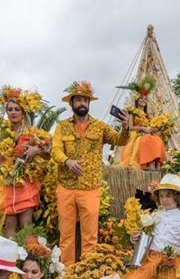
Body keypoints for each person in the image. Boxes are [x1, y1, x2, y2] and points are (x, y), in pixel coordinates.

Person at [52, 81, 130, 266]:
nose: (82, 103)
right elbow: (55, 151)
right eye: (78, 100)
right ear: (71, 103)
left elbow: (120, 140)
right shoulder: (62, 127)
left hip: (90, 189)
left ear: (89, 103)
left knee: (90, 237)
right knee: (66, 236)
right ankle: (66, 276)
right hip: (66, 188)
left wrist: (126, 127)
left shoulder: (100, 127)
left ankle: (86, 276)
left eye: (85, 100)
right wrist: (67, 161)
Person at [0, 86, 51, 238]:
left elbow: (49, 152)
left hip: (26, 182)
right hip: (8, 183)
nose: (13, 112)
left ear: (23, 112)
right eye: (10, 109)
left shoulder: (33, 133)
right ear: (6, 112)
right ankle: (11, 259)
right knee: (10, 224)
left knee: (25, 223)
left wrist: (36, 150)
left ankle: (29, 257)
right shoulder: (4, 133)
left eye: (17, 109)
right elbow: (1, 158)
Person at [121, 174, 180, 279]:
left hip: (171, 261)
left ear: (177, 197)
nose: (164, 199)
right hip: (152, 258)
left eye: (168, 196)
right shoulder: (155, 215)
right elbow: (147, 237)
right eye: (161, 196)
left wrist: (178, 255)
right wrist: (135, 239)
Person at [117, 76, 168, 169]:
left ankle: (156, 164)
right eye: (141, 98)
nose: (143, 100)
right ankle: (147, 163)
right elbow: (131, 127)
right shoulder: (132, 112)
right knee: (146, 139)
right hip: (136, 135)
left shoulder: (147, 114)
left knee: (158, 139)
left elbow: (152, 125)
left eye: (145, 99)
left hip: (147, 134)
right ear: (137, 100)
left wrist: (157, 128)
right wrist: (142, 128)